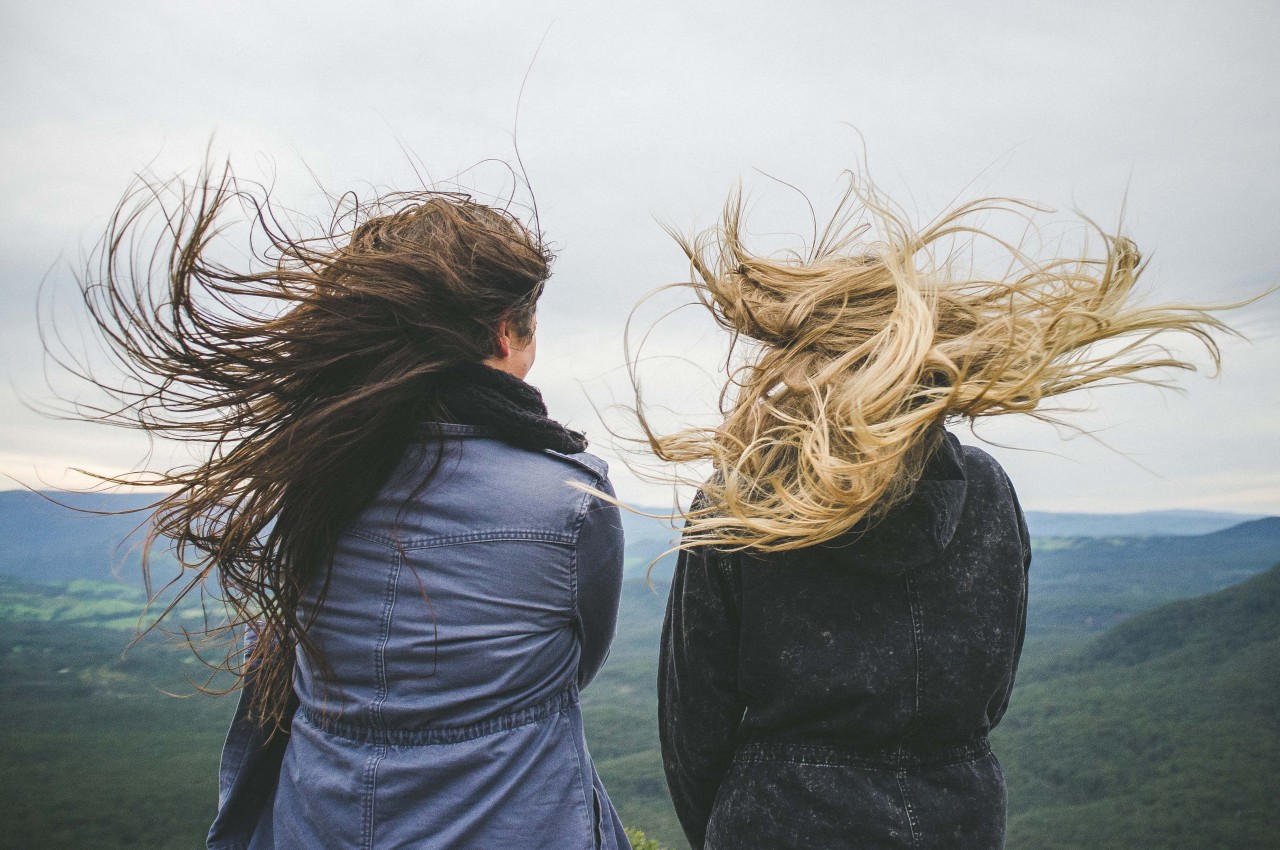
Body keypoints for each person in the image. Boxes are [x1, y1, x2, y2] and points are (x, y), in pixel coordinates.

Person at [645, 180, 1231, 849]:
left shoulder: (743, 497)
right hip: (958, 816)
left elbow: (693, 724)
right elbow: (993, 691)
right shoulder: (986, 488)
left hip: (782, 819)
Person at [67, 166, 631, 849]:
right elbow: (572, 667)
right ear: (504, 334)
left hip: (313, 823)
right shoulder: (572, 496)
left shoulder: (313, 472)